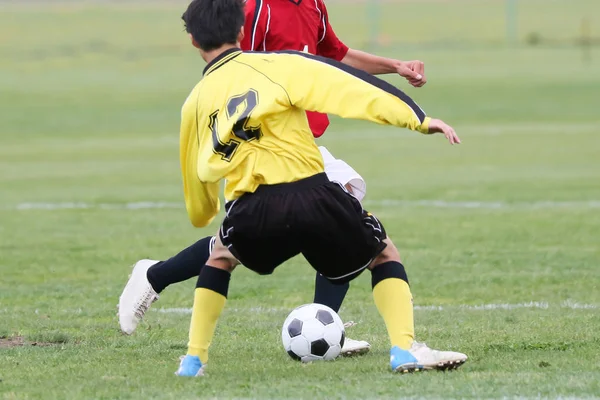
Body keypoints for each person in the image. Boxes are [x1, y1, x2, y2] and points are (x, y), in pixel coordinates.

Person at [168, 0, 467, 377]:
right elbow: (350, 88)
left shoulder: (193, 103)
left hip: (251, 206)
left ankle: (194, 360)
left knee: (220, 258)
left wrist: (203, 212)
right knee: (383, 253)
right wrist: (418, 119)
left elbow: (194, 171)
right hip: (313, 193)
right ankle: (403, 350)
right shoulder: (281, 65)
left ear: (194, 40)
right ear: (242, 32)